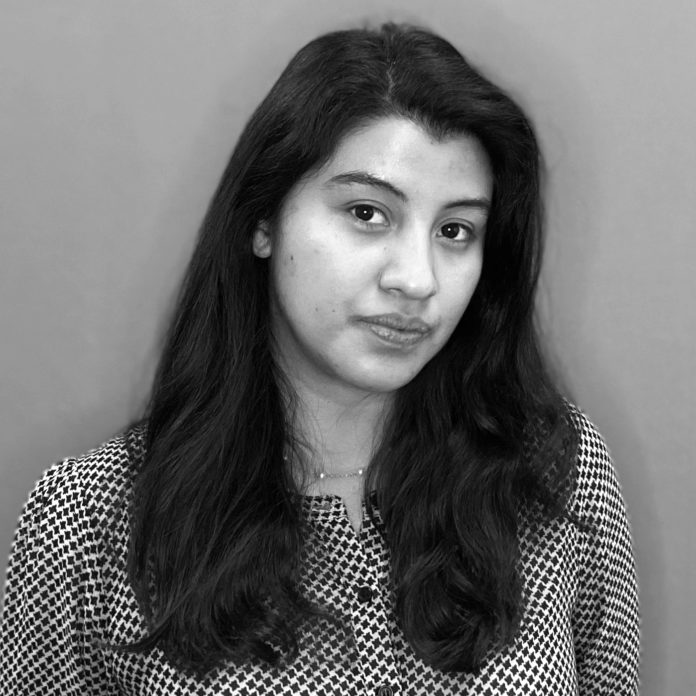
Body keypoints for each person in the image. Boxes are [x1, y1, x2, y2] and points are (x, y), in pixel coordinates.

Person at [0, 22, 639, 695]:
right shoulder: (88, 521)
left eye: (455, 230)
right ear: (264, 220)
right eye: (367, 213)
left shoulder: (555, 473)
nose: (417, 279)